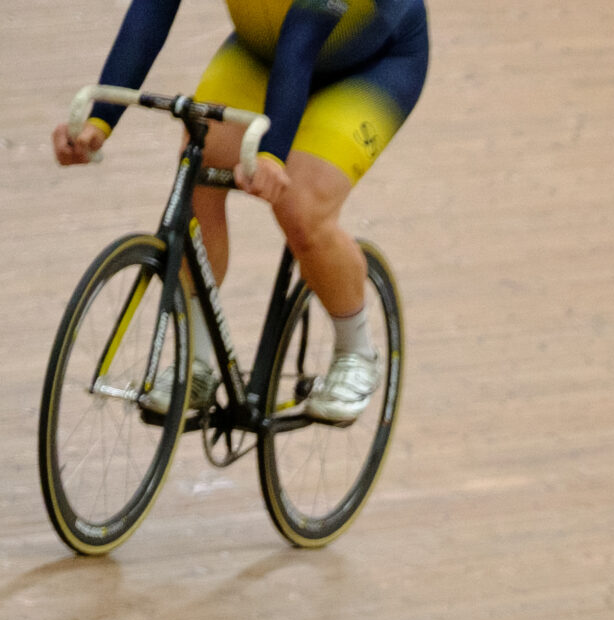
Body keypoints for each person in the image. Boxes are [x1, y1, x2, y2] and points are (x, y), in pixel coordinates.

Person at [52, 0, 431, 423]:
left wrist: (271, 154)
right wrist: (100, 120)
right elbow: (152, 8)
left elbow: (303, 39)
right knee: (199, 167)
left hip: (369, 69)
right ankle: (196, 360)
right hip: (262, 56)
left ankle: (357, 352)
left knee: (301, 207)